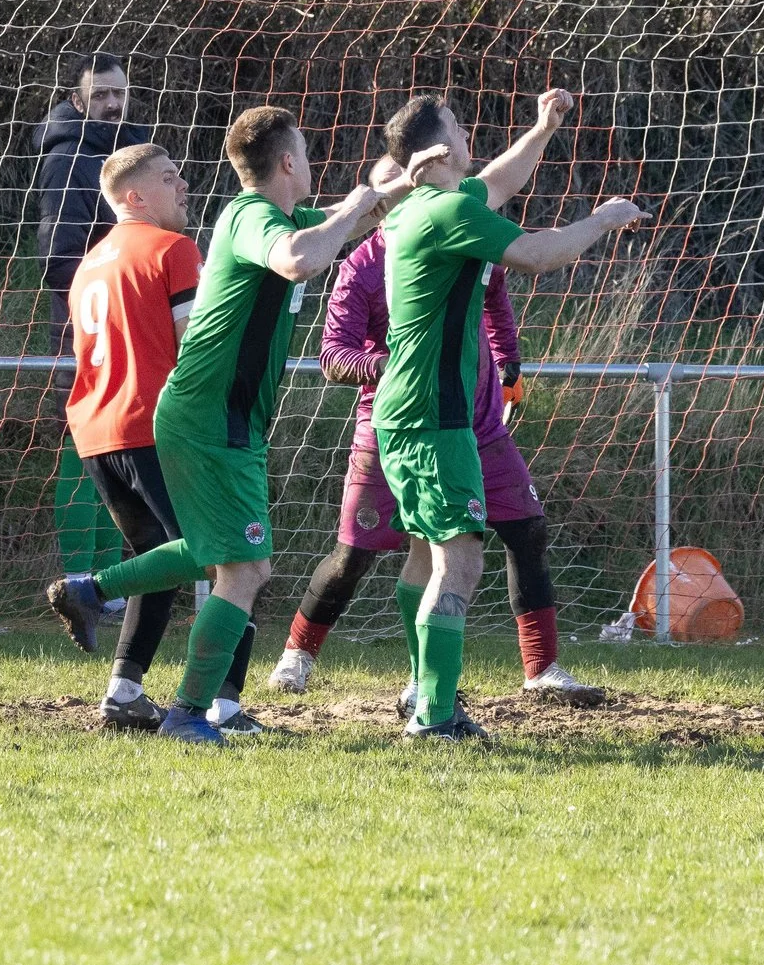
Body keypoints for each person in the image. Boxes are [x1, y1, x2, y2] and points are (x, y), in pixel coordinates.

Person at [44, 106, 421, 743]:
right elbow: (299, 259)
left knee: (219, 553)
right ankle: (196, 711)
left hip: (212, 414)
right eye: (306, 150)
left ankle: (94, 591)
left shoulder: (282, 216)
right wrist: (357, 203)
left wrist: (409, 181)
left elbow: (348, 222)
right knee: (244, 568)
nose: (312, 163)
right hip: (208, 412)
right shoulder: (251, 216)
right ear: (288, 162)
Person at [269, 153, 601, 706]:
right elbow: (332, 356)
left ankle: (540, 670)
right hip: (396, 424)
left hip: (478, 423)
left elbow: (494, 293)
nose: (404, 189)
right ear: (375, 205)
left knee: (525, 529)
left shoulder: (461, 227)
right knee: (362, 554)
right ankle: (298, 654)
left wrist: (507, 360)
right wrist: (391, 365)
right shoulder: (361, 267)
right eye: (389, 186)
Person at [370, 91, 645, 739]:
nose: (472, 138)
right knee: (462, 560)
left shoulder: (419, 209)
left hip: (405, 411)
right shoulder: (444, 212)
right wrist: (603, 218)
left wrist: (543, 130)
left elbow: (497, 180)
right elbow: (537, 254)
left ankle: (421, 691)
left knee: (426, 555)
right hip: (435, 415)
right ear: (437, 151)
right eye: (461, 130)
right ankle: (435, 716)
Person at [59, 142, 219, 730]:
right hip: (153, 425)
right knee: (216, 553)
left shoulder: (91, 262)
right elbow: (197, 348)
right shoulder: (173, 249)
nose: (185, 186)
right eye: (170, 178)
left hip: (97, 431)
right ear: (135, 197)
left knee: (157, 558)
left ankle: (125, 692)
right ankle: (218, 701)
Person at [34, 51, 149, 579]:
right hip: (89, 327)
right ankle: (81, 578)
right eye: (99, 93)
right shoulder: (66, 158)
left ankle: (110, 584)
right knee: (81, 445)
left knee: (118, 446)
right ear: (77, 101)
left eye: (118, 93)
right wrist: (107, 299)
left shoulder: (134, 154)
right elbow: (59, 258)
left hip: (135, 324)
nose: (111, 102)